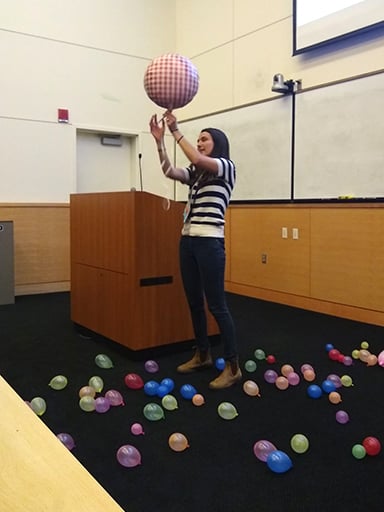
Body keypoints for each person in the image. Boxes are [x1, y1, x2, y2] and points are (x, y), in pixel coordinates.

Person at [149, 110, 241, 389]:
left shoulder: (226, 166)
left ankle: (233, 367)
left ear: (218, 145)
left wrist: (177, 131)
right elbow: (169, 170)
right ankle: (202, 354)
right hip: (188, 240)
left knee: (217, 306)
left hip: (210, 241)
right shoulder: (196, 174)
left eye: (205, 139)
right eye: (198, 139)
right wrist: (159, 142)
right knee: (193, 301)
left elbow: (197, 158)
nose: (200, 143)